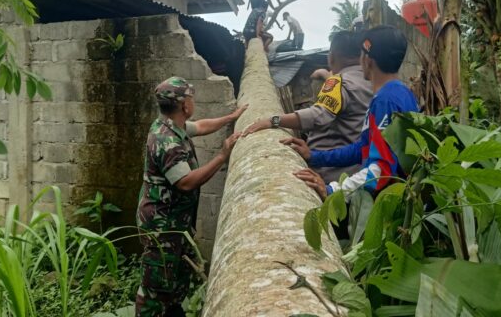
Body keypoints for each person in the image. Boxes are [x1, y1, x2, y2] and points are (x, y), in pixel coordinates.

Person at [135, 77, 246, 317]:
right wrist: (222, 155)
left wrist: (230, 118)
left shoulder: (171, 125)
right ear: (185, 105)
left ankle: (173, 310)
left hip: (173, 221)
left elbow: (202, 126)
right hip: (161, 225)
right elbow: (185, 183)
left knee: (175, 278)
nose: (192, 102)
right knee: (156, 285)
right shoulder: (166, 140)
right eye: (190, 98)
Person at [284, 26, 419, 201]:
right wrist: (314, 156)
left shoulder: (387, 101)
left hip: (389, 203)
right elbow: (363, 148)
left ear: (368, 60)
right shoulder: (401, 93)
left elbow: (381, 169)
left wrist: (334, 191)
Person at [243, 31, 373, 183]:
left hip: (328, 172)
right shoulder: (372, 83)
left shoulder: (338, 83)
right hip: (356, 172)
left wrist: (273, 120)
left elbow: (317, 115)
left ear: (331, 57)